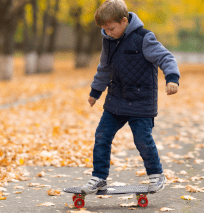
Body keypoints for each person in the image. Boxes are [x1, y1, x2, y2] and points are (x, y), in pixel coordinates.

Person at [81, 0, 180, 194]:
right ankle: (99, 177)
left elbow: (165, 57)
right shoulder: (108, 41)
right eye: (104, 30)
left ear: (124, 21)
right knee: (102, 136)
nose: (107, 33)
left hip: (141, 101)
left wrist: (172, 78)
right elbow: (105, 68)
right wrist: (95, 91)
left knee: (142, 139)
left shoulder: (144, 38)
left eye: (110, 29)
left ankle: (156, 175)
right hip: (116, 100)